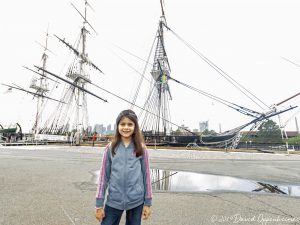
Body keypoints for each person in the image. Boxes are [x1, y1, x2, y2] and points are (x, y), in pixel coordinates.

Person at [95, 109, 152, 225]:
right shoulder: (110, 148)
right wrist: (99, 204)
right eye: (122, 124)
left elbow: (146, 176)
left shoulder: (141, 149)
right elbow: (103, 177)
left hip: (136, 200)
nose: (126, 127)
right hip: (114, 200)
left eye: (130, 124)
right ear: (117, 126)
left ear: (135, 126)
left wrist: (148, 202)